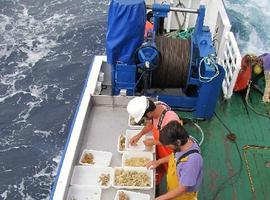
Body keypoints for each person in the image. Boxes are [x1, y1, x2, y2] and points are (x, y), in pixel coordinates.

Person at [127, 96, 183, 184]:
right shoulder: (156, 107)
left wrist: (153, 142)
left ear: (149, 113)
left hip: (170, 154)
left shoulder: (171, 120)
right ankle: (157, 182)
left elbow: (174, 143)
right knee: (158, 170)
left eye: (144, 117)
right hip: (161, 149)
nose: (144, 120)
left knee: (172, 175)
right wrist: (139, 135)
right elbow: (150, 124)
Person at [147, 120, 203, 200]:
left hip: (182, 196)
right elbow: (174, 156)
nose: (167, 147)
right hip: (173, 188)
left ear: (178, 142)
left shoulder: (191, 162)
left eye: (169, 145)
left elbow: (182, 189)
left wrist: (158, 199)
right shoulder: (185, 143)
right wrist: (158, 162)